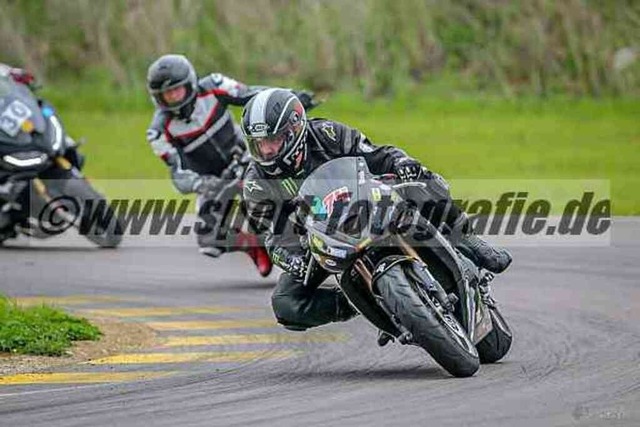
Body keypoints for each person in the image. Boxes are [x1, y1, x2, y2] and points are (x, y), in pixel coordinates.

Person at [240, 88, 512, 333]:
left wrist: (402, 163)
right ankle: (359, 302)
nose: (266, 150)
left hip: (366, 203)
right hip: (322, 240)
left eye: (272, 140)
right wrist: (292, 258)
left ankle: (467, 238)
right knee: (285, 304)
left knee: (423, 181)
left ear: (294, 129)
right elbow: (273, 237)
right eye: (259, 143)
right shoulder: (255, 183)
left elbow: (377, 154)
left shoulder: (327, 133)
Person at [145, 55, 317, 277]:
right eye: (167, 94)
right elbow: (177, 174)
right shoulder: (158, 131)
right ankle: (253, 244)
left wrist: (290, 98)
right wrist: (201, 184)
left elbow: (251, 94)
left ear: (190, 83)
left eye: (177, 90)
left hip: (246, 157)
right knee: (209, 240)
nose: (173, 97)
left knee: (272, 193)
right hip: (213, 181)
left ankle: (312, 221)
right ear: (157, 97)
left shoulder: (214, 85)